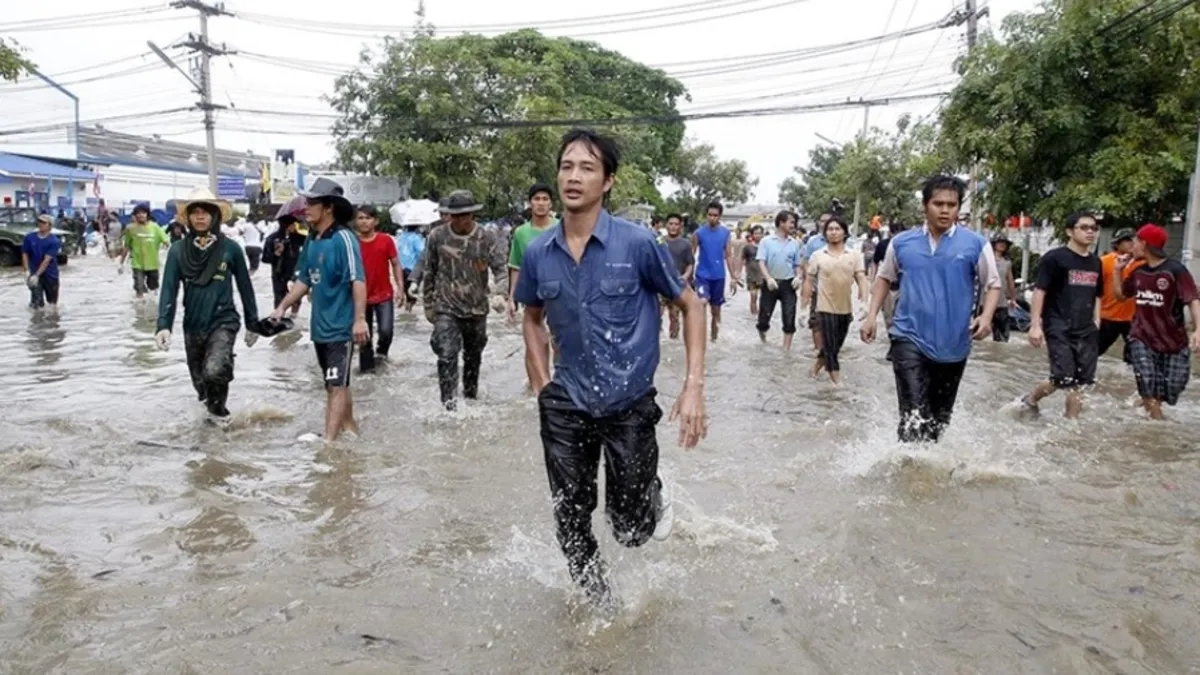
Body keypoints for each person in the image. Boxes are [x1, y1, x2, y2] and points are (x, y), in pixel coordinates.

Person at [514, 128, 707, 610]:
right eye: (566, 166)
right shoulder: (539, 252)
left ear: (608, 182)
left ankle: (651, 496)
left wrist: (693, 388)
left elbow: (691, 305)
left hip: (628, 402)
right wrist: (543, 388)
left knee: (632, 529)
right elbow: (532, 319)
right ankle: (601, 607)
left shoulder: (638, 243)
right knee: (571, 517)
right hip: (566, 402)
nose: (573, 177)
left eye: (587, 168)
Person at [862, 175, 1000, 443]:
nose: (946, 210)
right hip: (908, 335)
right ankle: (910, 475)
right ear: (925, 206)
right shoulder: (901, 242)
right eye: (939, 204)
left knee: (938, 421)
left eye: (952, 204)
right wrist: (871, 317)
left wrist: (986, 316)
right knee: (913, 413)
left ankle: (930, 473)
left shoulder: (975, 244)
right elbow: (884, 278)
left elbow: (993, 284)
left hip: (954, 342)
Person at [269, 177, 369, 442]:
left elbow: (358, 279)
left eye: (312, 203)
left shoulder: (344, 238)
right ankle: (350, 431)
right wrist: (281, 308)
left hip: (341, 326)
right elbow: (304, 280)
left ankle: (328, 443)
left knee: (336, 384)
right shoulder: (312, 240)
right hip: (319, 327)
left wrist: (360, 320)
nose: (306, 207)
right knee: (334, 384)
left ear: (329, 208)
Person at [155, 189, 261, 425]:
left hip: (224, 320)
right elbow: (169, 289)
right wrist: (163, 325)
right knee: (202, 385)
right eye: (196, 212)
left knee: (215, 370)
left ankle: (221, 421)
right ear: (189, 218)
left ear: (215, 216)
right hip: (193, 324)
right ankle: (213, 425)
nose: (200, 217)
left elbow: (245, 287)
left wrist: (253, 323)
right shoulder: (177, 250)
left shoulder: (230, 248)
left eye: (205, 212)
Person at [422, 190, 507, 410]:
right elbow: (429, 270)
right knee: (447, 354)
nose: (460, 220)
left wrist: (501, 293)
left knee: (472, 357)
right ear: (449, 215)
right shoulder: (437, 236)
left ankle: (470, 397)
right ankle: (448, 407)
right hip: (446, 307)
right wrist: (428, 305)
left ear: (472, 215)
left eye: (465, 215)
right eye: (455, 215)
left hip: (477, 308)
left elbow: (500, 270)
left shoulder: (486, 237)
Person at [1110, 224, 1200, 420]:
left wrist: (1198, 330)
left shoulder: (1175, 270)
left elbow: (1193, 299)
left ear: (1144, 244)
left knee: (1171, 389)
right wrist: (1118, 271)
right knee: (1148, 384)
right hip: (1141, 336)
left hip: (1173, 341)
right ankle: (1157, 426)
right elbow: (1120, 296)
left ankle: (1146, 407)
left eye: (1134, 241)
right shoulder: (1138, 271)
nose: (1131, 245)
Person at [1020, 212, 1103, 419]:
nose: (1090, 232)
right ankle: (1031, 399)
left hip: (1086, 328)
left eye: (1093, 228)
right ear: (1069, 231)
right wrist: (1035, 325)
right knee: (1063, 377)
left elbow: (1098, 293)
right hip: (1058, 325)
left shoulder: (1096, 262)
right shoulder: (1055, 258)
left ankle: (1071, 424)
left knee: (1082, 381)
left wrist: (1097, 319)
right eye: (1084, 227)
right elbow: (1040, 291)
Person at [804, 216, 868, 384]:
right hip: (824, 308)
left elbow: (861, 278)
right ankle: (837, 386)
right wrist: (803, 308)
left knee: (835, 345)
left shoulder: (854, 255)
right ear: (825, 233)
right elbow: (809, 280)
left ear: (844, 233)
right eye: (830, 229)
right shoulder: (818, 255)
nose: (833, 232)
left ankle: (815, 369)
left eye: (837, 229)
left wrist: (864, 303)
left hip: (845, 308)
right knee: (832, 349)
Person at [354, 204, 404, 373]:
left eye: (368, 218)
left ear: (375, 221)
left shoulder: (386, 240)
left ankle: (382, 355)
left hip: (383, 295)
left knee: (386, 331)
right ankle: (367, 373)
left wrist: (400, 288)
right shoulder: (352, 243)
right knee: (363, 337)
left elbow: (396, 264)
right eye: (360, 218)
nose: (364, 222)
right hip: (360, 297)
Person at [507, 183, 558, 321]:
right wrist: (512, 298)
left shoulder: (562, 228)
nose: (541, 203)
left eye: (545, 199)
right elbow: (516, 266)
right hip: (532, 296)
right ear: (530, 203)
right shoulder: (521, 233)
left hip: (559, 295)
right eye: (537, 199)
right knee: (534, 336)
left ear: (551, 204)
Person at [755, 211, 802, 350]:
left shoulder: (794, 243)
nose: (794, 225)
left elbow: (797, 265)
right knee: (764, 318)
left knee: (789, 317)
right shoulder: (766, 241)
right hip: (770, 284)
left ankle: (786, 350)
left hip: (788, 284)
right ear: (781, 223)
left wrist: (798, 276)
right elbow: (761, 262)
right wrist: (768, 278)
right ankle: (762, 342)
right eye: (791, 222)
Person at [690, 201, 734, 341]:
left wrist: (734, 277)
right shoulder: (699, 233)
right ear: (706, 215)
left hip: (719, 276)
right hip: (702, 275)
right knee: (702, 302)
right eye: (710, 215)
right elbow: (692, 254)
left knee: (716, 310)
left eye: (715, 215)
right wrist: (688, 275)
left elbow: (728, 255)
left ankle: (714, 339)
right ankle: (699, 338)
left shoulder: (725, 233)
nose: (712, 218)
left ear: (720, 216)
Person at [1097, 227, 1142, 362]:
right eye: (1127, 240)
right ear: (1117, 244)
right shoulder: (1104, 262)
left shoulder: (1142, 263)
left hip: (1133, 319)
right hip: (1107, 316)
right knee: (1091, 353)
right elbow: (1095, 289)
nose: (1132, 243)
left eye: (1134, 239)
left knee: (1134, 358)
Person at [261, 209, 307, 318]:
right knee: (279, 297)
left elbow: (310, 244)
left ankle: (293, 317)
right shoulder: (272, 239)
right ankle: (278, 318)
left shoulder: (299, 238)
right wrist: (276, 253)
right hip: (279, 273)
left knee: (296, 297)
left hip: (295, 272)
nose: (294, 226)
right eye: (292, 224)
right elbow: (265, 259)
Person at [119, 204, 170, 300]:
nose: (140, 215)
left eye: (143, 213)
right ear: (135, 215)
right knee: (139, 288)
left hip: (153, 264)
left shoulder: (155, 227)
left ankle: (152, 308)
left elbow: (167, 242)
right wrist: (121, 263)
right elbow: (126, 246)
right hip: (137, 264)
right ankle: (139, 311)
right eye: (138, 213)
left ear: (147, 214)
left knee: (153, 288)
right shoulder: (130, 228)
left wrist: (170, 254)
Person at [800, 212, 832, 353]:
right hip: (817, 288)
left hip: (838, 291)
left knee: (836, 323)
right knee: (816, 322)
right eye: (821, 221)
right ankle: (819, 351)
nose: (824, 223)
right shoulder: (813, 242)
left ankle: (831, 350)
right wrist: (807, 281)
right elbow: (805, 262)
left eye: (827, 221)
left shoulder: (845, 243)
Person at [660, 213, 695, 340]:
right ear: (666, 225)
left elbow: (690, 264)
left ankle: (673, 341)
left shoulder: (685, 244)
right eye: (671, 224)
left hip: (676, 286)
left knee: (674, 316)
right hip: (660, 284)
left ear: (680, 226)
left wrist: (685, 277)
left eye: (676, 224)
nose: (673, 227)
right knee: (655, 315)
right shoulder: (659, 241)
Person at [21, 214, 62, 311]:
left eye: (44, 222)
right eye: (39, 221)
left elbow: (47, 260)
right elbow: (25, 253)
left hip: (50, 275)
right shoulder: (29, 237)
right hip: (34, 272)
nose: (41, 224)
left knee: (52, 305)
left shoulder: (54, 241)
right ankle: (36, 323)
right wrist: (26, 271)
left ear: (50, 225)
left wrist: (37, 275)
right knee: (36, 304)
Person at [990, 232, 1019, 342]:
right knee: (980, 333)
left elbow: (1010, 282)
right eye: (999, 243)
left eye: (1004, 243)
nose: (1002, 245)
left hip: (1001, 302)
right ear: (994, 244)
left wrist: (1013, 298)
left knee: (1002, 337)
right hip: (985, 301)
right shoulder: (985, 259)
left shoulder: (1007, 262)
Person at [396, 217, 426, 312]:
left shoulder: (400, 237)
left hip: (401, 268)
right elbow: (422, 253)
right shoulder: (416, 238)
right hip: (413, 269)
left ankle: (407, 309)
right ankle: (409, 310)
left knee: (406, 290)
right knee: (412, 292)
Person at [742, 224, 765, 315]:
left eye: (760, 233)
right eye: (756, 233)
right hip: (752, 274)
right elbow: (743, 259)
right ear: (752, 235)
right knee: (753, 295)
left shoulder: (766, 246)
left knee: (764, 297)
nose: (758, 235)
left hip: (764, 274)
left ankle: (762, 314)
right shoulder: (747, 247)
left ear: (763, 234)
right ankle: (753, 314)